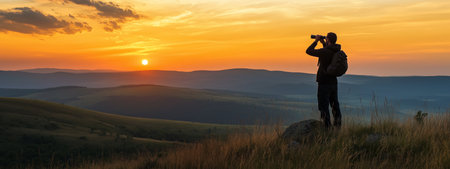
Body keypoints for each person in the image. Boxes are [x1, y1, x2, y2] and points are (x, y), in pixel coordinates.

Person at [306, 32, 342, 129]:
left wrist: (316, 41)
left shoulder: (325, 51)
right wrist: (324, 43)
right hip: (333, 82)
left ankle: (327, 129)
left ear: (328, 40)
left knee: (323, 106)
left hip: (324, 83)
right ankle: (338, 128)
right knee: (335, 105)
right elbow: (328, 52)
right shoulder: (336, 50)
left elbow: (308, 51)